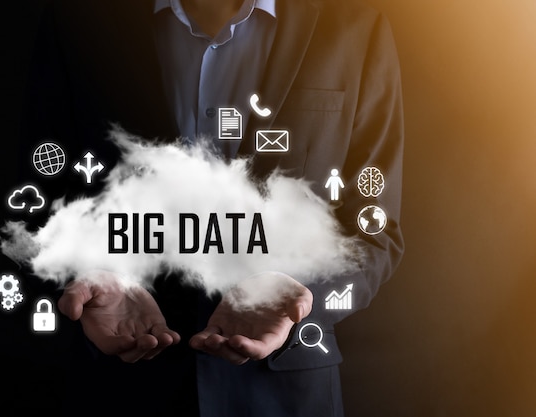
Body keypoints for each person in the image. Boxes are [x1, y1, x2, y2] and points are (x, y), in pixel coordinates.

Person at [22, 0, 404, 415]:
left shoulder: (355, 30)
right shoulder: (81, 24)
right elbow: (41, 195)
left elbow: (374, 231)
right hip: (125, 384)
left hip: (285, 394)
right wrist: (85, 271)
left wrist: (305, 297)